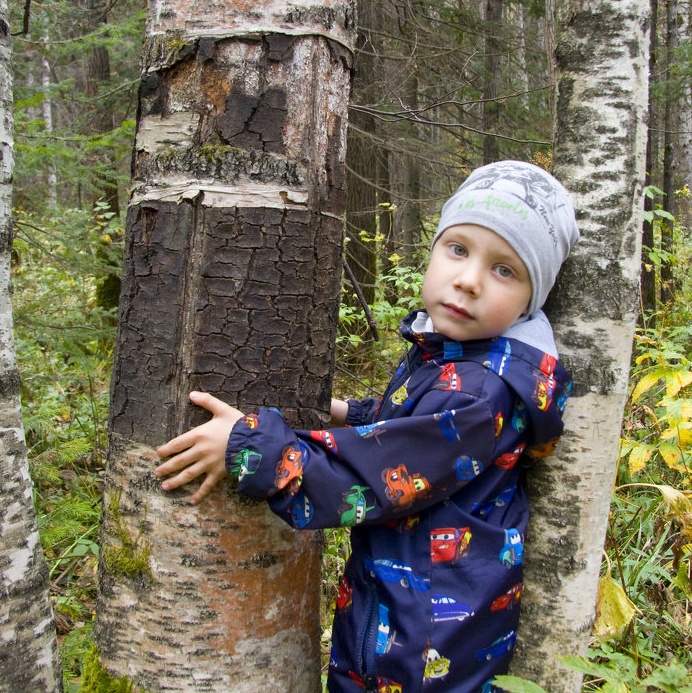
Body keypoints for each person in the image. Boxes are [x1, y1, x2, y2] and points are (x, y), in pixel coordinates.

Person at [155, 160, 580, 693]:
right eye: (458, 249)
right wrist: (347, 412)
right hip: (402, 613)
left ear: (529, 300)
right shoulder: (461, 357)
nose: (469, 280)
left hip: (424, 650)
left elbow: (373, 473)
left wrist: (246, 446)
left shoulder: (479, 391)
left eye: (505, 270)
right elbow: (409, 429)